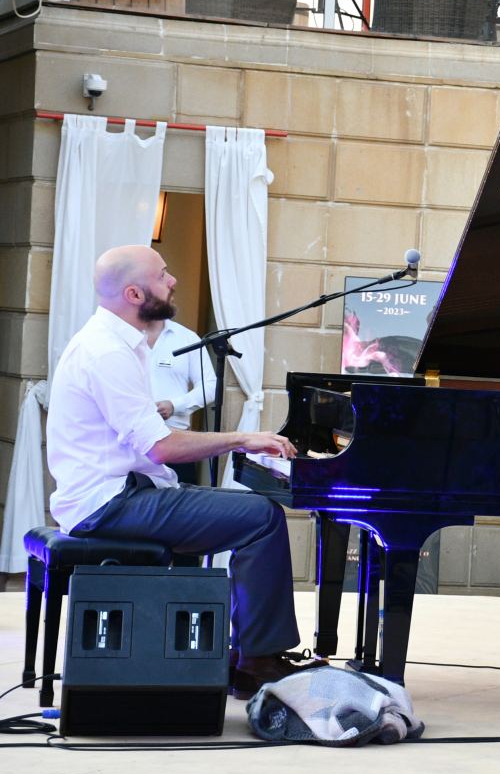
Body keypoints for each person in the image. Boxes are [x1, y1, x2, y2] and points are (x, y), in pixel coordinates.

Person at [46, 245, 318, 698]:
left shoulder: (115, 342)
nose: (172, 281)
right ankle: (256, 662)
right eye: (162, 275)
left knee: (253, 514)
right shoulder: (107, 352)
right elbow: (162, 448)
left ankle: (245, 654)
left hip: (117, 495)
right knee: (262, 517)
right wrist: (243, 438)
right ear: (134, 294)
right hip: (111, 504)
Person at [145, 313, 217, 485]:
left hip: (176, 444)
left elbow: (211, 386)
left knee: (181, 499)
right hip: (130, 446)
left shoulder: (187, 338)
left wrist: (175, 405)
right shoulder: (122, 336)